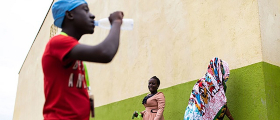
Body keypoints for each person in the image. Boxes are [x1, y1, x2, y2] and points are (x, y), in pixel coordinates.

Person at [41, 0, 124, 119]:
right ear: (70, 15)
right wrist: (116, 22)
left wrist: (84, 99)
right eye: (86, 10)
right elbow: (105, 53)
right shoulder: (57, 43)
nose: (92, 15)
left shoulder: (72, 51)